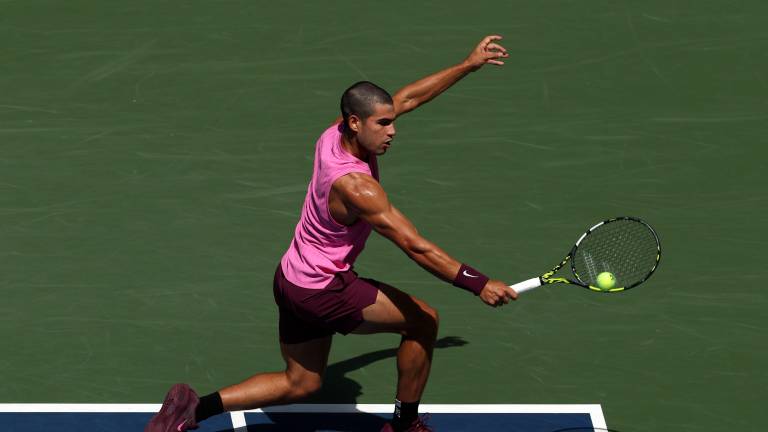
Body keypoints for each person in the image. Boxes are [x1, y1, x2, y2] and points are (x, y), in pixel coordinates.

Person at [146, 34, 518, 432]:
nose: (393, 131)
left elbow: (407, 98)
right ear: (356, 123)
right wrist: (476, 283)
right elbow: (414, 245)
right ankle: (405, 424)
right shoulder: (358, 187)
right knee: (423, 321)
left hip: (291, 277)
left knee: (300, 383)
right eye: (383, 124)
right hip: (325, 288)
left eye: (391, 121)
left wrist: (466, 65)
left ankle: (191, 409)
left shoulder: (333, 135)